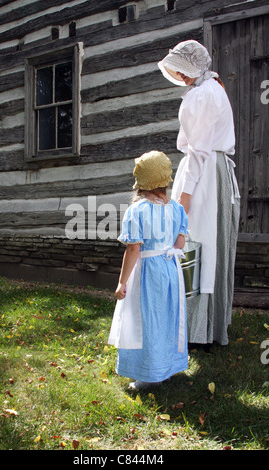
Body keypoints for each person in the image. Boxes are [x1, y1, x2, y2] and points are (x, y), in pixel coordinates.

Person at [158, 40, 240, 348]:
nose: (179, 75)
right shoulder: (210, 89)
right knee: (206, 245)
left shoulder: (205, 94)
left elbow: (198, 150)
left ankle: (196, 331)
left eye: (183, 69)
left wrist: (185, 197)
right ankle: (204, 326)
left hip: (204, 175)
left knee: (195, 242)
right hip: (209, 170)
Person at [108, 150, 189, 390]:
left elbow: (133, 250)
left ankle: (147, 374)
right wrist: (168, 255)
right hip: (171, 271)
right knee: (167, 317)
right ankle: (167, 366)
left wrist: (122, 282)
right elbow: (180, 243)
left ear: (142, 183)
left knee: (146, 319)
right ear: (165, 181)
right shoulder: (177, 209)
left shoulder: (138, 210)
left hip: (147, 272)